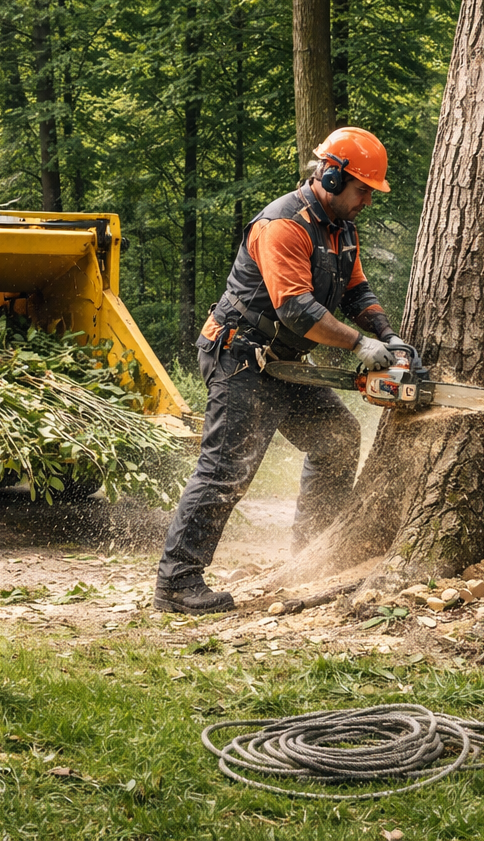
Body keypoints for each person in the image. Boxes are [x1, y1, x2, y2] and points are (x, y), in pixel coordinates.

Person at [154, 127, 403, 614]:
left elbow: (356, 292)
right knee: (228, 468)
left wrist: (386, 337)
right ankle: (177, 583)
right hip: (240, 355)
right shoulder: (283, 224)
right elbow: (295, 309)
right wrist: (358, 344)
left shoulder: (341, 229)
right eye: (362, 190)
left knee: (337, 436)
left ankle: (312, 553)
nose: (367, 202)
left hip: (285, 362)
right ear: (331, 177)